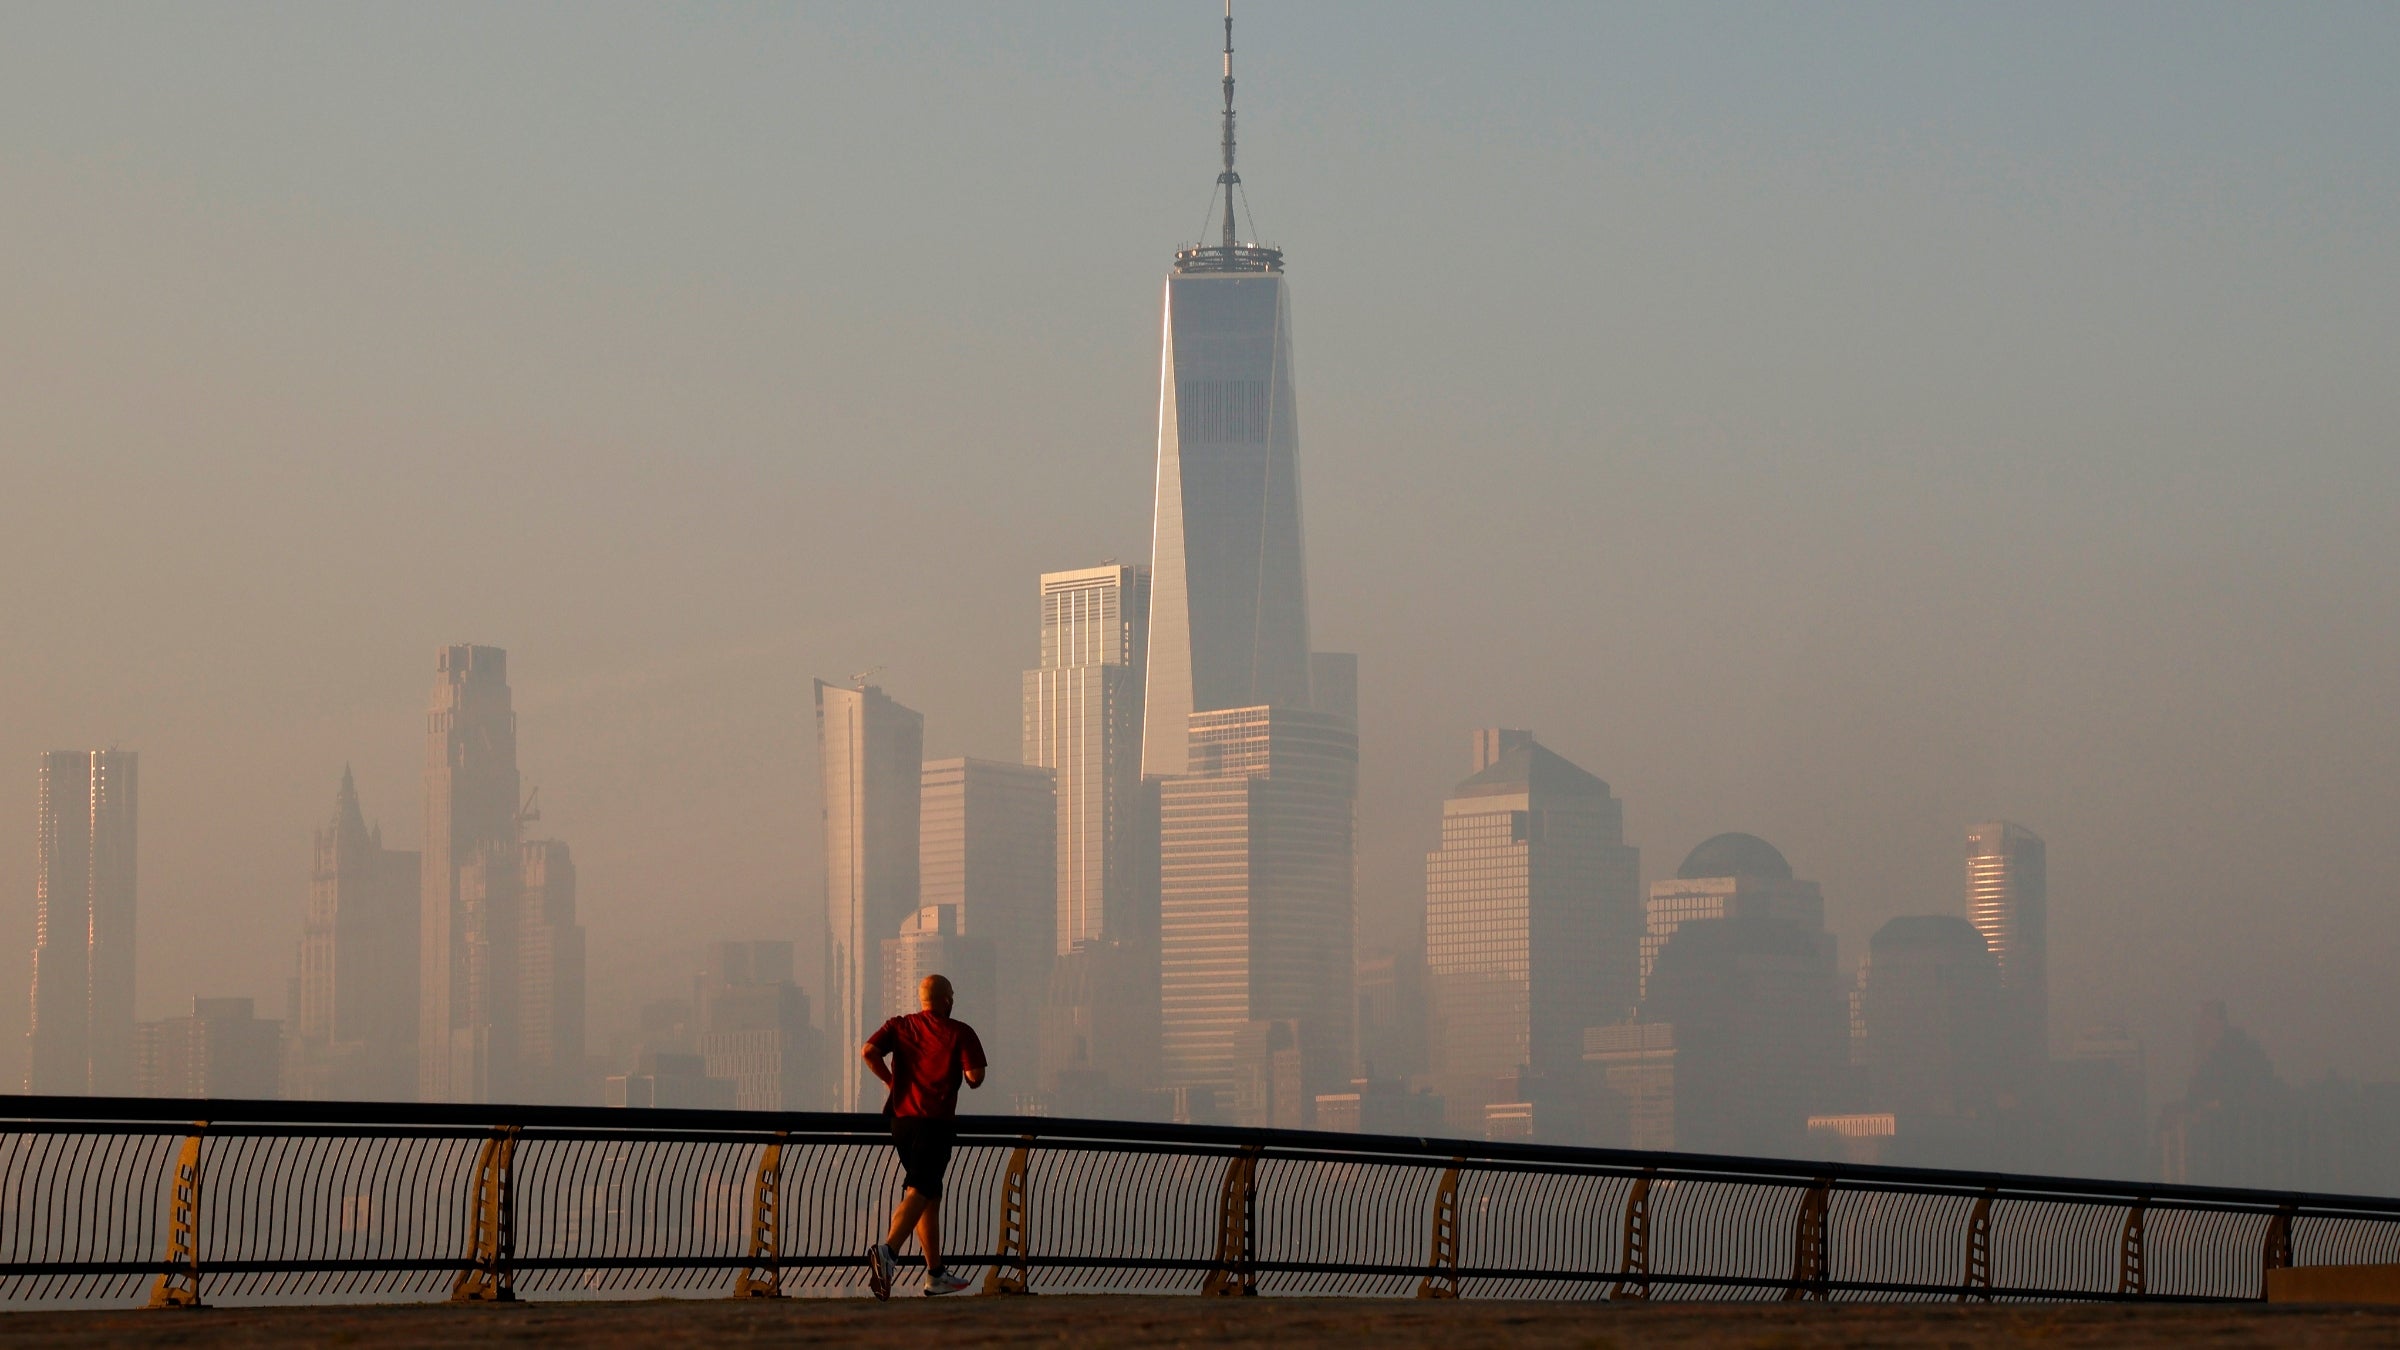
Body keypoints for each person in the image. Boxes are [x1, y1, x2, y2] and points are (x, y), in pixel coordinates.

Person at [862, 973, 987, 1299]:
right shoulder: (959, 1031)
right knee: (921, 1188)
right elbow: (976, 1076)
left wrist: (892, 1082)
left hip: (901, 1122)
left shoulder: (900, 1025)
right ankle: (887, 1252)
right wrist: (966, 1075)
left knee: (929, 1192)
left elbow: (868, 1051)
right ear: (947, 999)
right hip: (935, 1122)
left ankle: (935, 1274)